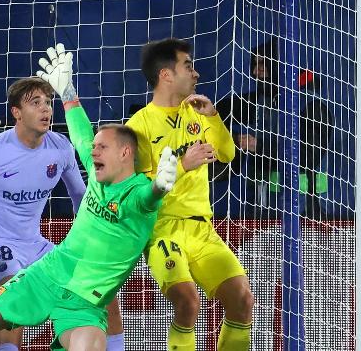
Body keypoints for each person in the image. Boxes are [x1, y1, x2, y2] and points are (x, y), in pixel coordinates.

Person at [0, 44, 178, 351]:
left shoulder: (60, 147)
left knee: (107, 299)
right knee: (5, 314)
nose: (46, 109)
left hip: (35, 245)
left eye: (48, 102)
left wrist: (92, 243)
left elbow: (83, 194)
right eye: (35, 103)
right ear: (17, 113)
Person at [126, 38, 253, 351]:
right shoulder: (138, 125)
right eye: (188, 66)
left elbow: (226, 154)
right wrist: (182, 165)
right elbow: (136, 189)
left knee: (243, 299)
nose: (196, 74)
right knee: (188, 302)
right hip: (163, 229)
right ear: (166, 75)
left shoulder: (197, 113)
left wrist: (212, 116)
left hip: (202, 229)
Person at [215, 38, 332, 219]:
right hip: (261, 212)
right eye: (254, 64)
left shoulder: (311, 105)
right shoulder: (258, 102)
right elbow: (218, 112)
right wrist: (231, 142)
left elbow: (309, 155)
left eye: (262, 64)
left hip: (304, 214)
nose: (255, 72)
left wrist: (258, 146)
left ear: (279, 64)